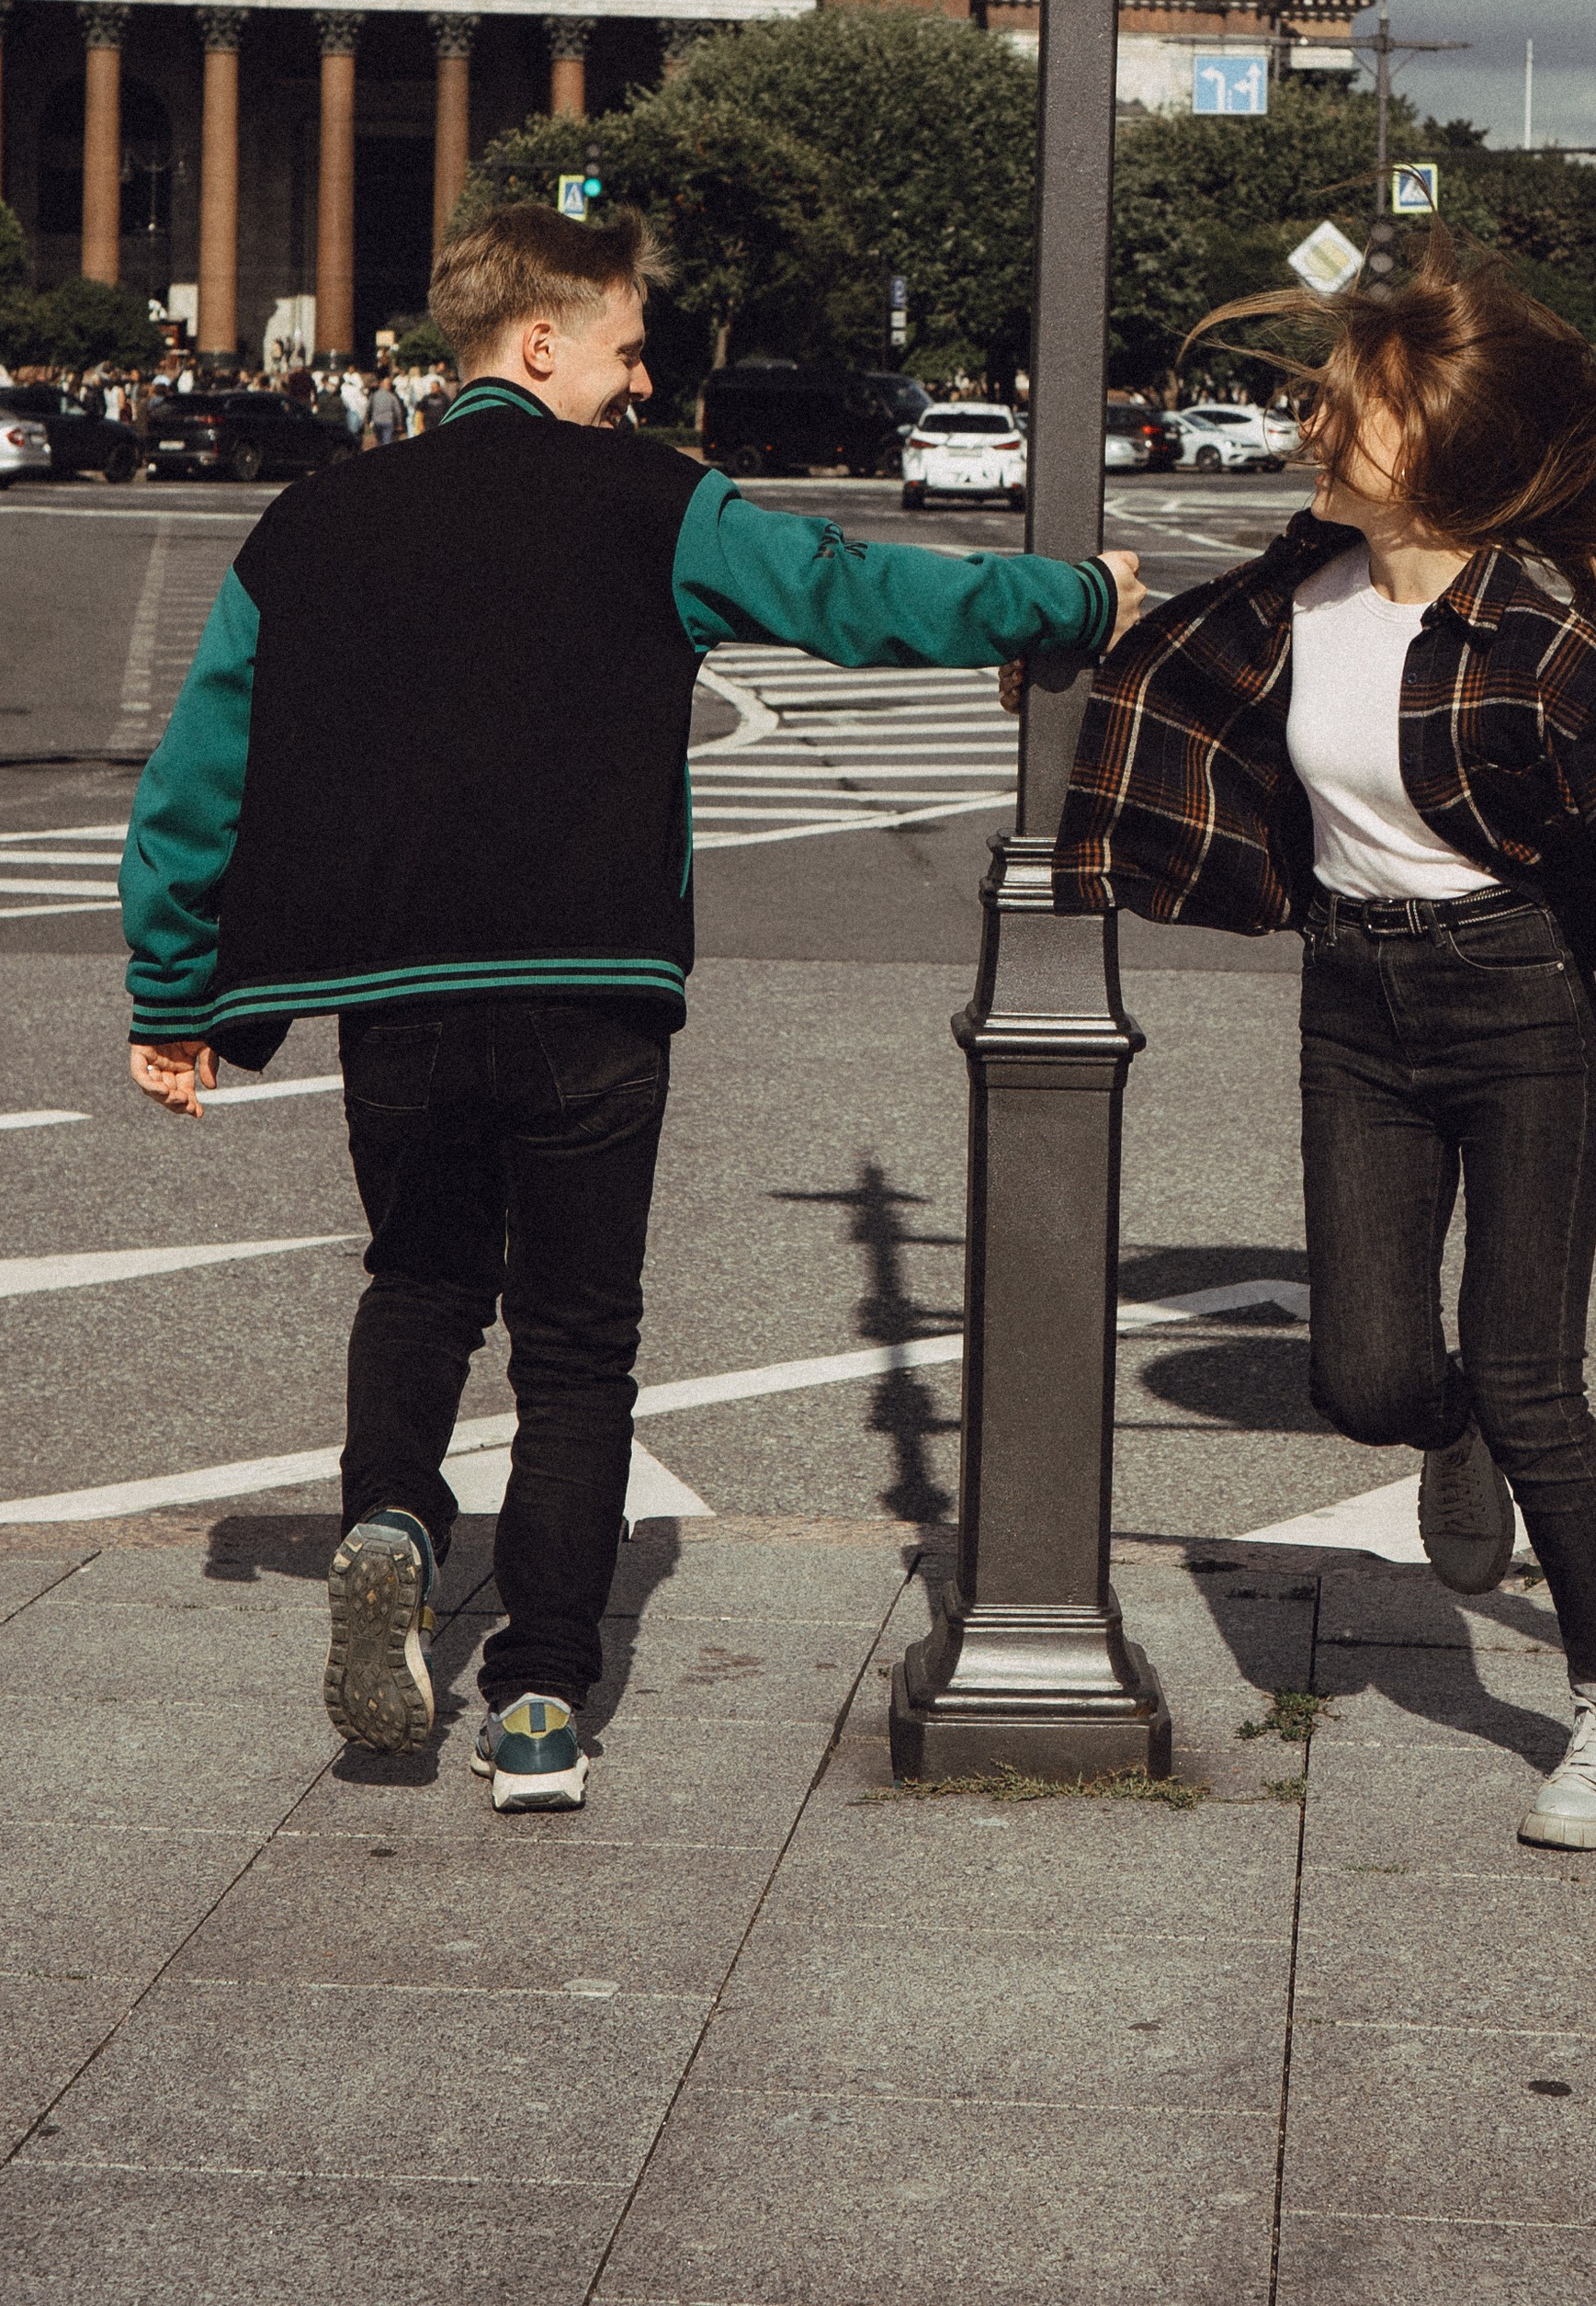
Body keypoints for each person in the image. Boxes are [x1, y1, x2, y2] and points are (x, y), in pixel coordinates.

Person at [122, 203, 1145, 1813]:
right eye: (624, 349)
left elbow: (196, 781)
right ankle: (537, 1703)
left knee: (419, 1283)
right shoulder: (653, 503)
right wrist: (1065, 606)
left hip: (394, 1000)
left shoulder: (309, 525)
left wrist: (175, 999)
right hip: (591, 985)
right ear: (539, 342)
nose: (640, 383)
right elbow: (848, 594)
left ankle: (391, 1521)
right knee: (581, 1347)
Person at [1052, 240, 1596, 1855]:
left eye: (1351, 408)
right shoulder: (1292, 599)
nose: (1317, 425)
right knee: (1364, 1377)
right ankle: (1454, 1445)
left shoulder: (1548, 652)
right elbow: (1160, 690)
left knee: (1532, 1376)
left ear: (1436, 452)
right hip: (1354, 1003)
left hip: (1516, 1012)